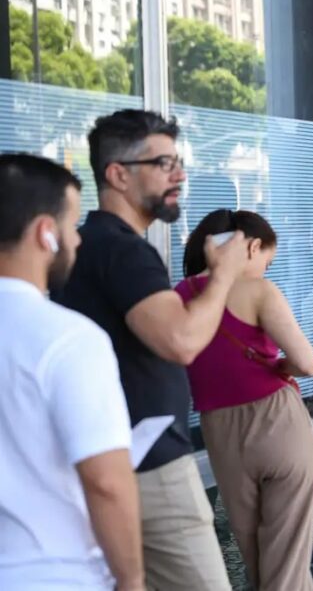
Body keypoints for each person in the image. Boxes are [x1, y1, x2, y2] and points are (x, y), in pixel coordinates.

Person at [52, 110, 247, 590]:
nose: (178, 174)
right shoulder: (123, 249)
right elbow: (179, 340)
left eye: (178, 161)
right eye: (163, 163)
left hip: (114, 460)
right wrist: (222, 274)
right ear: (117, 174)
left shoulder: (86, 243)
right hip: (152, 468)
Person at [0, 154, 143, 590]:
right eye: (73, 225)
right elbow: (107, 483)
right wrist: (132, 580)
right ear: (46, 232)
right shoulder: (69, 338)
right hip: (54, 575)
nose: (78, 241)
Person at [175, 210, 313, 590]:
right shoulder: (259, 290)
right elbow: (308, 363)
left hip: (220, 430)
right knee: (287, 557)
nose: (264, 271)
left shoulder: (181, 294)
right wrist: (279, 365)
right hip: (278, 422)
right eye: (266, 261)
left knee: (255, 554)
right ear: (251, 247)